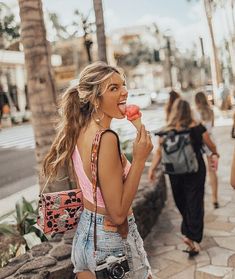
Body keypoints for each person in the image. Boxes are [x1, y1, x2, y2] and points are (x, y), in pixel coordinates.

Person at [42, 62, 153, 279]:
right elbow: (118, 213)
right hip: (111, 244)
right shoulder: (106, 138)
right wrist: (139, 160)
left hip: (86, 235)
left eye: (123, 85)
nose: (124, 92)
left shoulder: (80, 131)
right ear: (94, 98)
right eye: (113, 88)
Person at [148, 99, 219, 257]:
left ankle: (189, 233)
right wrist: (215, 152)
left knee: (182, 202)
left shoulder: (167, 130)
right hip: (195, 170)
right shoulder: (196, 127)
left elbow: (159, 151)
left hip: (174, 172)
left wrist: (152, 168)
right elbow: (209, 143)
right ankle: (192, 237)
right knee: (195, 202)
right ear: (189, 110)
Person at [195, 91, 219, 209]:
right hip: (210, 141)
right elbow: (212, 126)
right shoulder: (211, 112)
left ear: (197, 101)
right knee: (212, 171)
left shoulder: (196, 114)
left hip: (199, 142)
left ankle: (201, 199)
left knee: (200, 171)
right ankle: (215, 198)